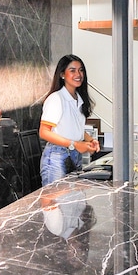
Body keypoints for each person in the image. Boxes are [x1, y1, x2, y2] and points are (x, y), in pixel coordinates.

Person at [39, 55, 100, 185]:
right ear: (62, 74)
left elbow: (74, 127)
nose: (78, 74)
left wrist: (90, 140)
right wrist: (75, 144)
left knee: (72, 197)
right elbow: (44, 132)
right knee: (56, 197)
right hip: (57, 157)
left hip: (74, 155)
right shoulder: (56, 98)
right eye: (72, 70)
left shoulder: (78, 98)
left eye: (81, 70)